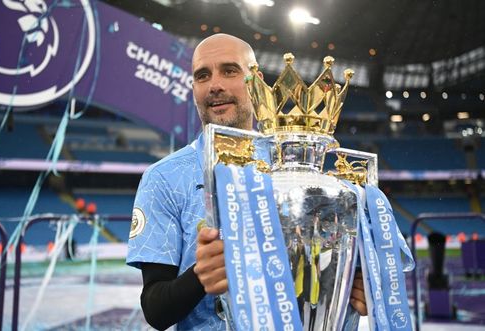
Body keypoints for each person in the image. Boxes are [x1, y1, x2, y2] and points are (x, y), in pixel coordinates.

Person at [126, 33, 366, 330]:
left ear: (255, 81)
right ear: (193, 88)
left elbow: (335, 273)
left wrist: (360, 287)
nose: (215, 85)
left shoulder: (300, 170)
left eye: (229, 71)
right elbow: (156, 310)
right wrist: (201, 275)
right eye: (203, 75)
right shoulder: (163, 178)